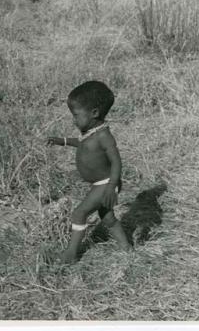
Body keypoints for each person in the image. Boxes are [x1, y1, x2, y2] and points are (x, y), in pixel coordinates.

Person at [47, 81, 132, 264]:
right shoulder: (91, 132)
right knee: (108, 218)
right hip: (101, 184)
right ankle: (127, 249)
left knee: (79, 214)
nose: (73, 120)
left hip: (106, 183)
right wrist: (62, 141)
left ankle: (71, 254)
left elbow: (117, 162)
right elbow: (82, 143)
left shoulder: (104, 136)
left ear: (94, 113)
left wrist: (111, 187)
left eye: (76, 115)